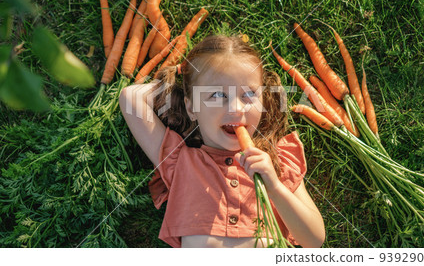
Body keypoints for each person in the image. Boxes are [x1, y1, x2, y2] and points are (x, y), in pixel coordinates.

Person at [119, 35, 325, 248]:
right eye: (217, 95)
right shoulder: (181, 162)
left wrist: (274, 187)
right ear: (191, 109)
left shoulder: (277, 161)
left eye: (248, 95)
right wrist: (179, 76)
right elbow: (130, 98)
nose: (236, 108)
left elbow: (314, 240)